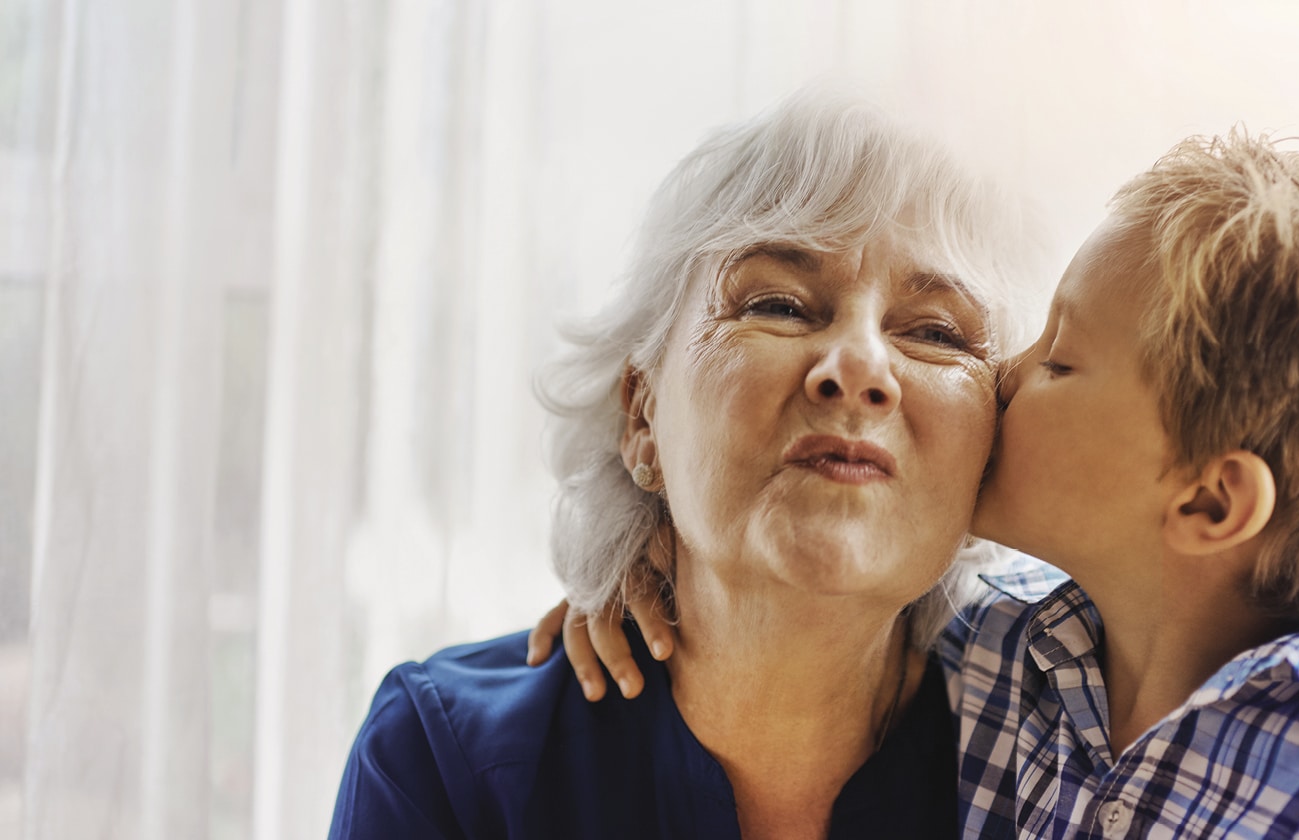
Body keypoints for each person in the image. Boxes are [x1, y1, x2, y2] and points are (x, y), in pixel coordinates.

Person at [553, 132, 1299, 837]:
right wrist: (652, 558)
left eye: (1059, 359)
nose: (1003, 375)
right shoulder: (1011, 656)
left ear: (1207, 504)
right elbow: (807, 598)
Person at [327, 90, 1043, 839]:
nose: (859, 365)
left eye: (935, 332)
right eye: (779, 305)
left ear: (990, 455)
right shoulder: (445, 758)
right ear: (642, 415)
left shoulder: (1055, 766)